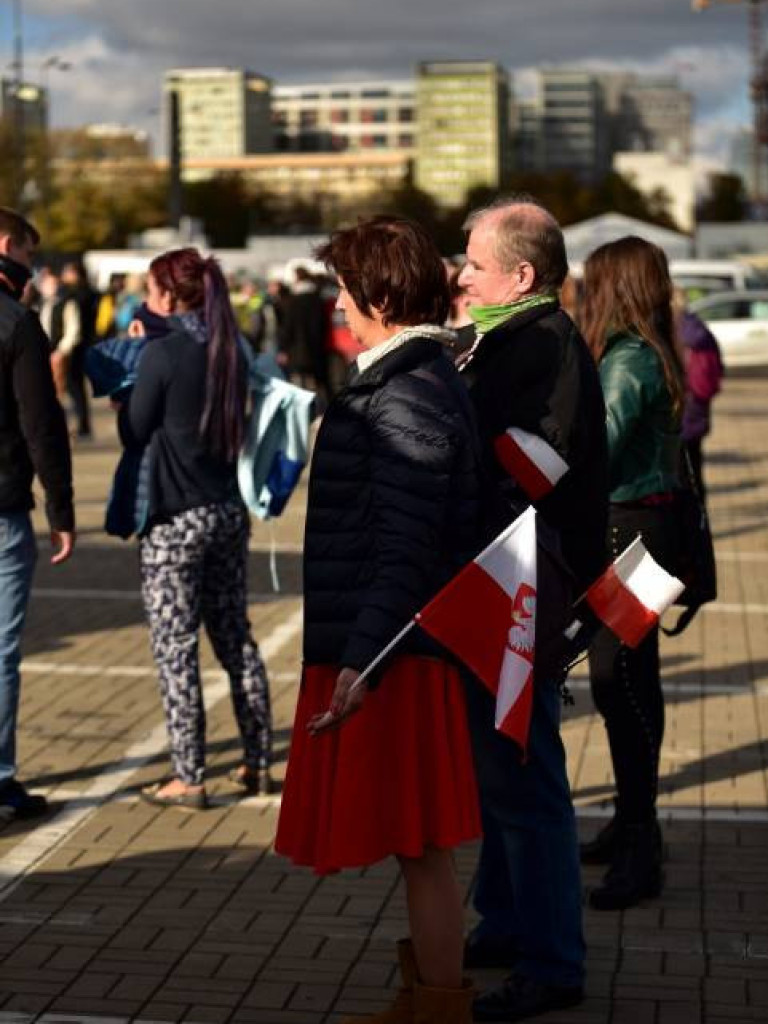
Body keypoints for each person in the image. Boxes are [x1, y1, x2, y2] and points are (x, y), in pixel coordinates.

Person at [275, 216, 481, 1024]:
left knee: (423, 847)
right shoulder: (414, 377)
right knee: (417, 845)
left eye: (347, 288)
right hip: (397, 641)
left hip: (397, 649)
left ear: (382, 296)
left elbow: (405, 543)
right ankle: (429, 991)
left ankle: (437, 1004)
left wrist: (363, 660)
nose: (338, 302)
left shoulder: (405, 390)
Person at [456, 196, 609, 1022]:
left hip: (527, 591)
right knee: (499, 775)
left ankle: (553, 961)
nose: (461, 275)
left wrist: (455, 421)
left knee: (527, 780)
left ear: (521, 275)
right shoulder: (513, 338)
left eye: (474, 263)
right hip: (501, 584)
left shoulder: (545, 343)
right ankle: (508, 921)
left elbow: (539, 466)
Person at [117, 248, 273, 808]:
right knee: (236, 639)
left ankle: (189, 773)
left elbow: (135, 430)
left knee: (175, 648)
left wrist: (134, 355)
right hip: (227, 511)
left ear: (168, 294)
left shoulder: (163, 353)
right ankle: (257, 761)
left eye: (151, 287)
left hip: (174, 519)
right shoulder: (231, 348)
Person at [580, 236, 684, 910]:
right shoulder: (647, 351)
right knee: (628, 681)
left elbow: (599, 451)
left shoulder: (627, 359)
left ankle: (641, 842)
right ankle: (633, 820)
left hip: (629, 535)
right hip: (644, 531)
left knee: (621, 681)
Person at [0, 207, 76, 820]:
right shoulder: (17, 322)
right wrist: (62, 507)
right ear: (6, 245)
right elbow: (40, 425)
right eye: (27, 254)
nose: (31, 269)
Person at [673, 287, 723, 497]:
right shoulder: (701, 329)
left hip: (682, 408)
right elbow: (719, 368)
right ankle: (700, 519)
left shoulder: (674, 330)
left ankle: (691, 522)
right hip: (699, 405)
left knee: (681, 476)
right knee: (695, 468)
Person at [59, 261, 98, 439]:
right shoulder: (90, 294)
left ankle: (83, 424)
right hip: (86, 344)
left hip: (78, 346)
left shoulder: (78, 296)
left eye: (68, 272)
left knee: (74, 386)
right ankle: (83, 423)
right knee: (76, 386)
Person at [279, 265, 328, 398]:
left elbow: (287, 327)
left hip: (297, 350)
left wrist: (283, 348)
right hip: (316, 348)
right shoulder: (317, 299)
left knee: (299, 386)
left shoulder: (293, 300)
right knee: (316, 385)